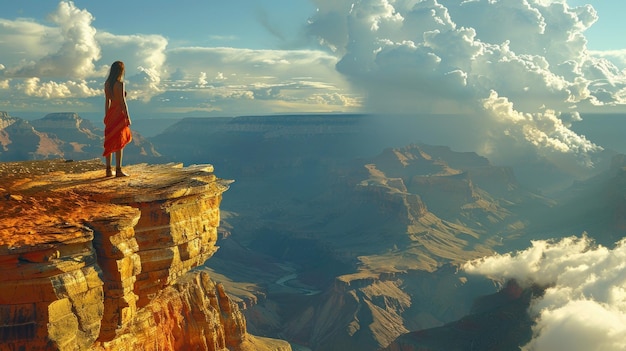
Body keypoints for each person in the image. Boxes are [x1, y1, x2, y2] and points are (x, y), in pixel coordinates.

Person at [102, 61, 132, 177]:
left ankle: (108, 170)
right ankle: (118, 170)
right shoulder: (120, 84)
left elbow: (107, 102)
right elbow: (123, 102)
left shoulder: (107, 84)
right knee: (119, 142)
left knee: (109, 141)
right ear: (120, 71)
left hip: (110, 114)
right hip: (119, 114)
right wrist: (127, 117)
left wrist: (107, 116)